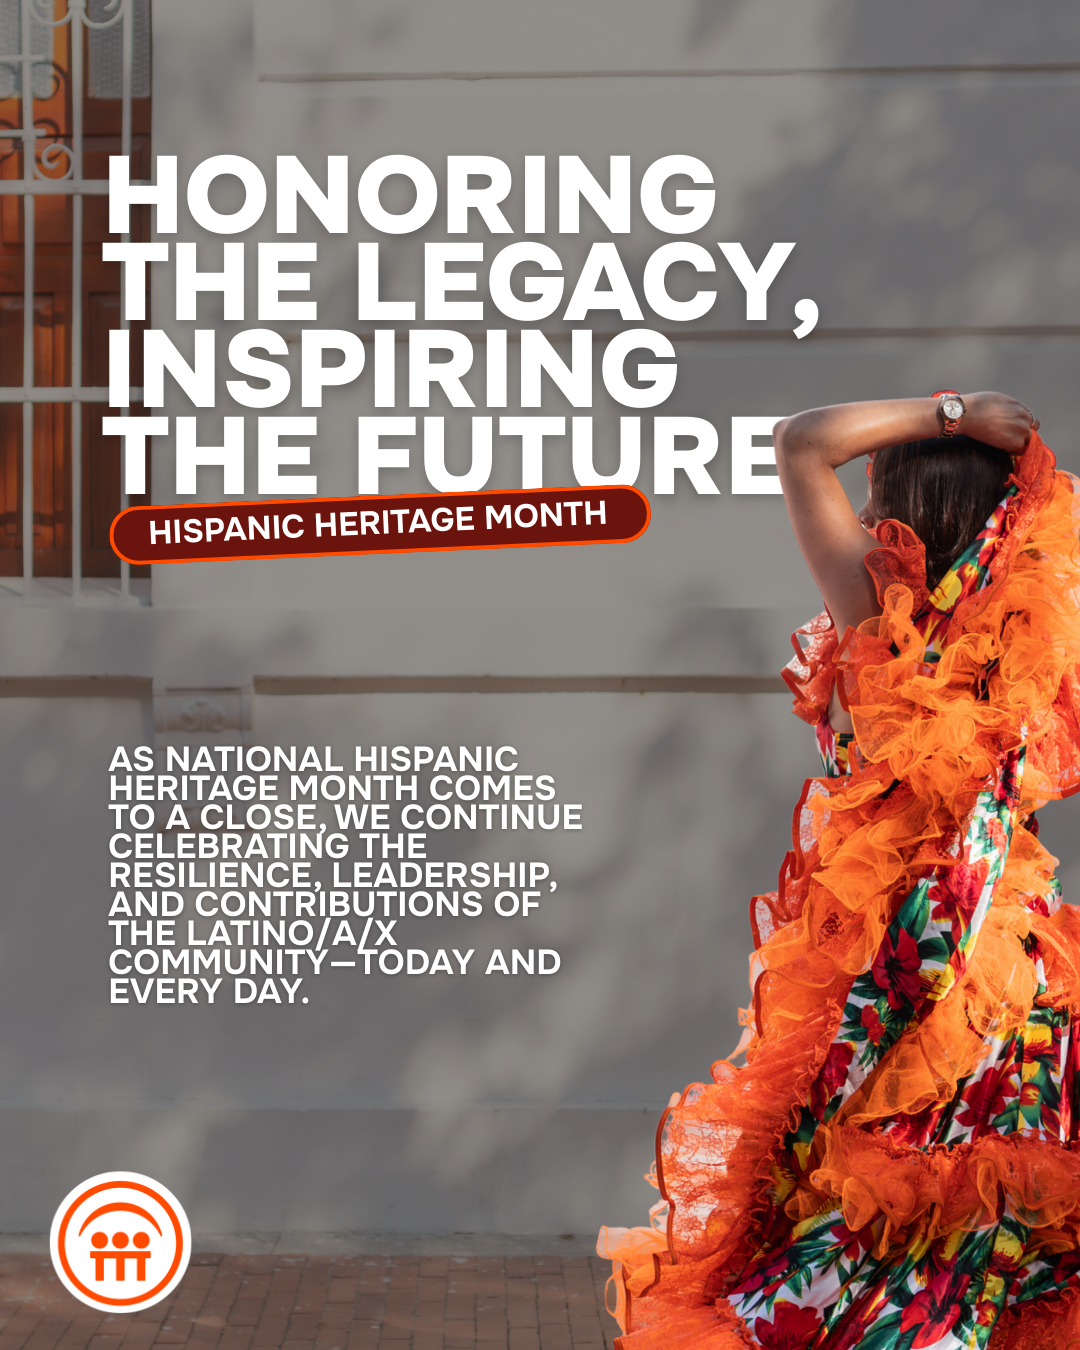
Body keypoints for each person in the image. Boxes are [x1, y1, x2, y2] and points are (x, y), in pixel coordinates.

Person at [599, 391, 1080, 1350]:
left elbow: (798, 441)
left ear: (905, 518)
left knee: (854, 1202)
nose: (862, 520)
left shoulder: (872, 625)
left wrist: (950, 414)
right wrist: (1009, 468)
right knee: (982, 1225)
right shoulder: (1035, 637)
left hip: (895, 969)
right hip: (1011, 968)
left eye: (875, 504)